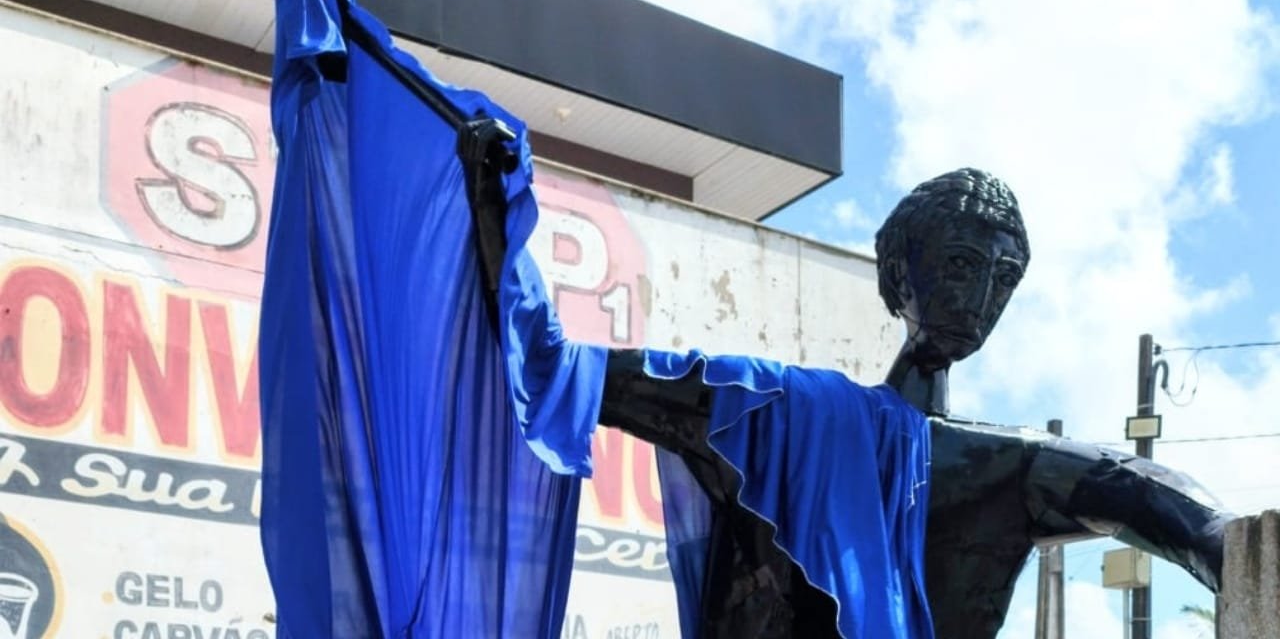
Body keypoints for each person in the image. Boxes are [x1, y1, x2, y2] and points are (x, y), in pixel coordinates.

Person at [464, 142, 1228, 638]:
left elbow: (1132, 486)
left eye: (1003, 278)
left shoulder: (1004, 469)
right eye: (962, 265)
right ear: (900, 277)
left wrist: (1227, 540)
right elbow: (571, 368)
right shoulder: (778, 413)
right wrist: (489, 204)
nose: (982, 296)